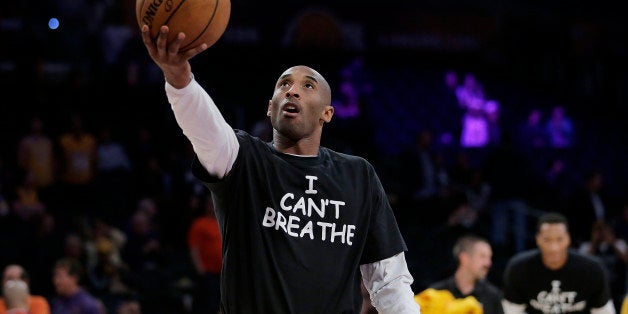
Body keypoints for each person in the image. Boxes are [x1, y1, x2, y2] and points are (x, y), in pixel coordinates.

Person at [139, 24, 420, 313]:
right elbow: (205, 129)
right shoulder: (243, 159)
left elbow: (389, 280)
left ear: (327, 113)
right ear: (270, 108)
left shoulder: (358, 176)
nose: (293, 91)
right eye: (284, 85)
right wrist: (179, 79)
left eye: (307, 85)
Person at [501, 212, 615, 313]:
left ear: (568, 239)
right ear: (537, 240)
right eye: (547, 240)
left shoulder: (592, 269)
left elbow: (603, 311)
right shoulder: (518, 268)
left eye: (559, 239)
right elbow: (512, 311)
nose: (554, 247)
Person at [428, 234, 504, 314]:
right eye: (483, 256)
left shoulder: (492, 296)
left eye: (489, 257)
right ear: (464, 258)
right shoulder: (436, 292)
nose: (488, 263)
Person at [187, 192, 222, 314]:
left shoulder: (224, 222)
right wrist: (201, 271)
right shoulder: (200, 224)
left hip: (224, 275)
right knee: (209, 305)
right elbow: (194, 249)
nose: (213, 205)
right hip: (208, 274)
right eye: (210, 203)